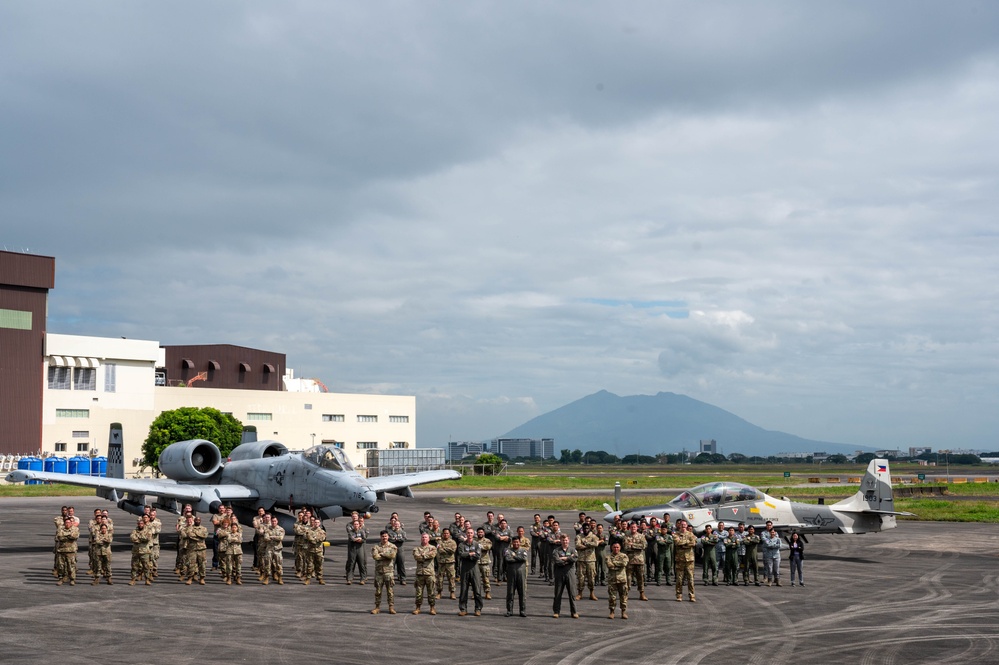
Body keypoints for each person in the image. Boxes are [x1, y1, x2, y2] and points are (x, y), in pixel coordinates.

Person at [456, 529, 484, 616]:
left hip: (474, 568)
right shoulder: (461, 544)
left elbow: (478, 556)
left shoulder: (477, 544)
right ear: (466, 534)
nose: (469, 534)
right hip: (464, 568)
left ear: (473, 534)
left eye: (471, 533)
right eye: (468, 533)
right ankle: (463, 609)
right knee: (463, 590)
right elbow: (461, 554)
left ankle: (478, 608)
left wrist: (467, 555)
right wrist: (470, 554)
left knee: (477, 590)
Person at [551, 533, 579, 619]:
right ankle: (556, 611)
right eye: (563, 540)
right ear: (560, 540)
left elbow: (575, 558)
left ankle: (574, 612)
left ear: (568, 540)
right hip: (559, 573)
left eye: (566, 540)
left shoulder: (573, 550)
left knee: (572, 593)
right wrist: (568, 560)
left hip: (570, 573)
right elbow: (557, 561)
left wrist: (565, 558)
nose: (565, 542)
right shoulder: (556, 550)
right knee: (558, 593)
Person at [371, 530, 398, 614]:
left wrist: (382, 554)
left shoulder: (392, 546)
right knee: (378, 591)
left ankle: (391, 607)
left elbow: (392, 556)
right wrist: (386, 555)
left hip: (388, 572)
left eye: (386, 536)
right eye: (383, 536)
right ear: (380, 537)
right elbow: (375, 556)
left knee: (390, 591)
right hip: (379, 572)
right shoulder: (376, 547)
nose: (384, 538)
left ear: (388, 537)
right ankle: (377, 607)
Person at [411, 532, 438, 615]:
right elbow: (416, 557)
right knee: (419, 593)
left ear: (429, 539)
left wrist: (423, 555)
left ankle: (432, 608)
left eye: (426, 537)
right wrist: (425, 555)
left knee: (431, 592)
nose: (424, 539)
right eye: (423, 537)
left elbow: (432, 555)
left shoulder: (433, 548)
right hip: (420, 573)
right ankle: (418, 608)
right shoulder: (416, 548)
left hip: (429, 573)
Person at [503, 536, 528, 617]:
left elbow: (524, 559)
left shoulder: (523, 550)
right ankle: (509, 610)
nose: (516, 543)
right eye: (514, 542)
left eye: (517, 542)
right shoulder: (507, 550)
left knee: (522, 593)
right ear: (512, 543)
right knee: (510, 593)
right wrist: (517, 558)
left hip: (521, 574)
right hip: (511, 574)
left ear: (520, 543)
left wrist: (514, 557)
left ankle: (522, 610)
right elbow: (507, 559)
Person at [604, 541, 630, 619]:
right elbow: (609, 565)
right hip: (612, 580)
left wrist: (614, 563)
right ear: (611, 548)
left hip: (622, 579)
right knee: (612, 597)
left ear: (620, 548)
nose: (616, 549)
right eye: (614, 547)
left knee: (623, 596)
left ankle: (623, 612)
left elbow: (624, 564)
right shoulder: (608, 557)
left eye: (617, 547)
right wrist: (618, 564)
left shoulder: (624, 556)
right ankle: (612, 612)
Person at [623, 523, 648, 601]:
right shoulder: (626, 536)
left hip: (639, 560)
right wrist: (637, 546)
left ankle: (642, 593)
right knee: (628, 578)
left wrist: (633, 545)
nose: (633, 528)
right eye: (632, 527)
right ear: (629, 528)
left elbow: (644, 546)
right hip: (630, 560)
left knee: (640, 577)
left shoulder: (641, 536)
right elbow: (626, 547)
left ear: (637, 528)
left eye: (634, 527)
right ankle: (626, 594)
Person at [673, 520, 697, 602]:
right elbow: (677, 543)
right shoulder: (676, 534)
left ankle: (692, 596)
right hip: (680, 560)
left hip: (689, 560)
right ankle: (679, 595)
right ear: (679, 525)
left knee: (690, 579)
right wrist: (687, 543)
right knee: (679, 579)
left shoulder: (690, 534)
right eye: (682, 524)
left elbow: (693, 543)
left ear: (686, 526)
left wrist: (683, 544)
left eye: (684, 525)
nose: (683, 526)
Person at [574, 523, 599, 601]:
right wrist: (587, 546)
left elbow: (596, 544)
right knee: (580, 577)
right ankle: (579, 593)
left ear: (590, 529)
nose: (586, 530)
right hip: (581, 560)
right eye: (584, 528)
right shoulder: (579, 536)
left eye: (587, 528)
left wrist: (586, 543)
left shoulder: (594, 536)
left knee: (591, 577)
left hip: (590, 560)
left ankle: (592, 593)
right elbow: (577, 545)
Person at [183, 516, 209, 585]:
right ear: (194, 521)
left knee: (202, 564)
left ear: (200, 521)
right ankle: (190, 578)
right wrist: (199, 537)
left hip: (201, 549)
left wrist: (196, 534)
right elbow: (190, 535)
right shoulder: (190, 528)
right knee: (191, 564)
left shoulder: (204, 528)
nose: (197, 521)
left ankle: (202, 578)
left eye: (199, 520)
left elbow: (205, 536)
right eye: (196, 520)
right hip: (192, 548)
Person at [54, 517, 79, 586]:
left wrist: (65, 536)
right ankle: (60, 579)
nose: (67, 524)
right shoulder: (60, 529)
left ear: (71, 523)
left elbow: (74, 536)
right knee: (60, 566)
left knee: (71, 566)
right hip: (61, 550)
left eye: (69, 523)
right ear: (64, 523)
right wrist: (68, 536)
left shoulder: (75, 529)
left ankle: (72, 579)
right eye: (66, 523)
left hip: (70, 550)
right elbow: (59, 537)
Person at [129, 518, 153, 585]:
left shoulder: (148, 530)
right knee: (134, 566)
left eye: (142, 523)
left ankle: (147, 580)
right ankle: (133, 579)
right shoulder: (134, 531)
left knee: (146, 566)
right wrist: (141, 539)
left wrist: (138, 538)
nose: (140, 525)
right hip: (136, 551)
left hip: (144, 551)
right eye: (139, 524)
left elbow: (147, 538)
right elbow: (132, 538)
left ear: (144, 524)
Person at [262, 516, 286, 585]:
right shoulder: (267, 529)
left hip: (277, 549)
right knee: (267, 564)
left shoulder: (281, 529)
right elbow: (266, 538)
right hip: (269, 549)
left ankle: (280, 578)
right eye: (272, 521)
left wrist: (272, 537)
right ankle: (266, 578)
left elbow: (280, 538)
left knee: (279, 564)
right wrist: (275, 538)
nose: (274, 522)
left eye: (275, 521)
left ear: (277, 521)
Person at [345, 516, 368, 584]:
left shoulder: (362, 531)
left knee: (361, 564)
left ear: (359, 525)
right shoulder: (351, 532)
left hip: (360, 548)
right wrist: (358, 539)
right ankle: (349, 579)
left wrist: (358, 539)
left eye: (357, 524)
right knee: (351, 564)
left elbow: (364, 539)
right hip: (352, 549)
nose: (356, 525)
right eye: (354, 524)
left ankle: (363, 579)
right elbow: (351, 538)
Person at [304, 517, 326, 585]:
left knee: (319, 565)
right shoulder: (309, 530)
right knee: (309, 565)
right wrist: (314, 539)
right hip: (310, 550)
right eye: (315, 522)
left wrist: (314, 539)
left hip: (319, 551)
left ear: (319, 524)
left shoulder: (322, 531)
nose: (316, 524)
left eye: (318, 522)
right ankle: (308, 578)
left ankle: (320, 578)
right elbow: (308, 537)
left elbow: (322, 538)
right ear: (313, 523)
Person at [221, 520, 244, 585]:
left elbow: (240, 540)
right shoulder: (228, 534)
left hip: (238, 551)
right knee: (229, 565)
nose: (234, 529)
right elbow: (229, 540)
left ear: (237, 528)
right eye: (232, 527)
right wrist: (235, 539)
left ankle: (238, 578)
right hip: (230, 551)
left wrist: (234, 539)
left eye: (235, 527)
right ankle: (229, 578)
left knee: (238, 565)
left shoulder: (239, 534)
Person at [387, 517, 407, 585]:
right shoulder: (390, 532)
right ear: (394, 525)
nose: (397, 525)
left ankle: (403, 579)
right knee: (392, 565)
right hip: (393, 550)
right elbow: (390, 540)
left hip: (400, 550)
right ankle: (391, 579)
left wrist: (396, 539)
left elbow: (403, 539)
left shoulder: (403, 532)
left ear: (400, 525)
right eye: (395, 524)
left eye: (398, 524)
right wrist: (398, 539)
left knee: (401, 565)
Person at [475, 527, 493, 599]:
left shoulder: (487, 540)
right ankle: (475, 593)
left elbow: (488, 547)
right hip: (475, 562)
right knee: (475, 579)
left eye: (481, 532)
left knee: (486, 579)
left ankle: (487, 592)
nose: (480, 533)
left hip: (484, 562)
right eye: (479, 532)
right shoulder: (474, 540)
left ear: (484, 533)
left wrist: (479, 546)